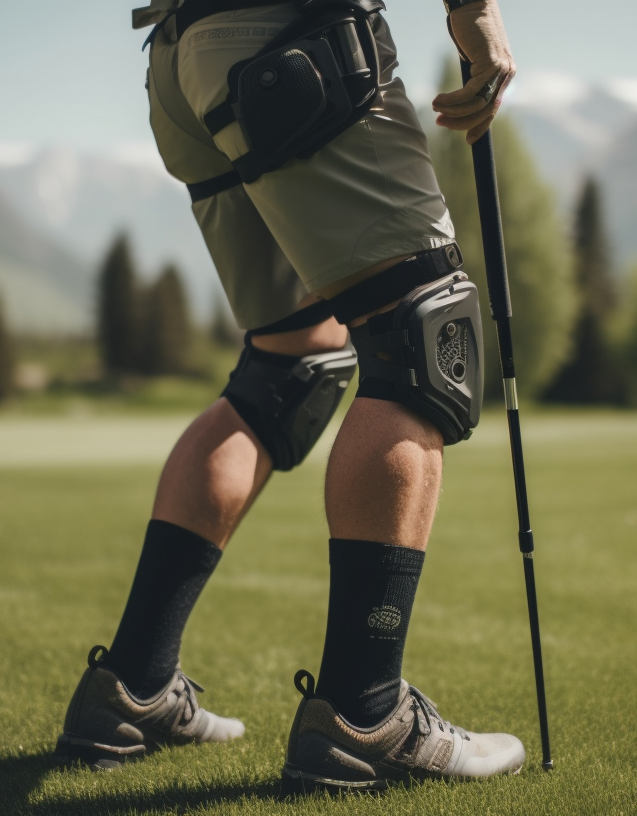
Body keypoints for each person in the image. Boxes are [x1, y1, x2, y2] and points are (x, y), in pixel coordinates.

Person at [57, 0, 524, 792]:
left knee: (292, 365)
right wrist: (475, 13)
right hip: (292, 39)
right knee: (418, 335)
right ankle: (364, 714)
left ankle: (130, 687)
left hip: (184, 56)